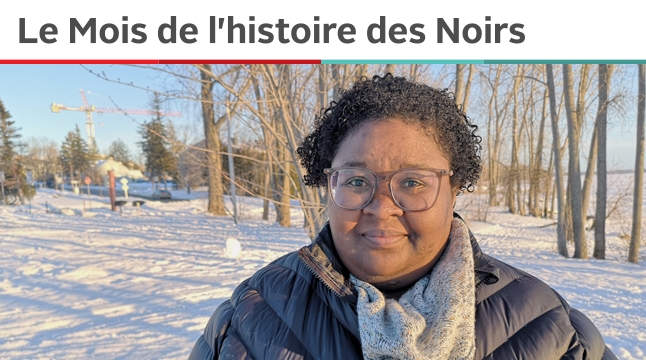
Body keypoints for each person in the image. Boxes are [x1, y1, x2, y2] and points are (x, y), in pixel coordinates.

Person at [189, 74, 617, 360]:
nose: (381, 206)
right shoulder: (249, 317)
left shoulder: (552, 330)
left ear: (455, 190)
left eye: (413, 182)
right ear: (329, 187)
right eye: (357, 181)